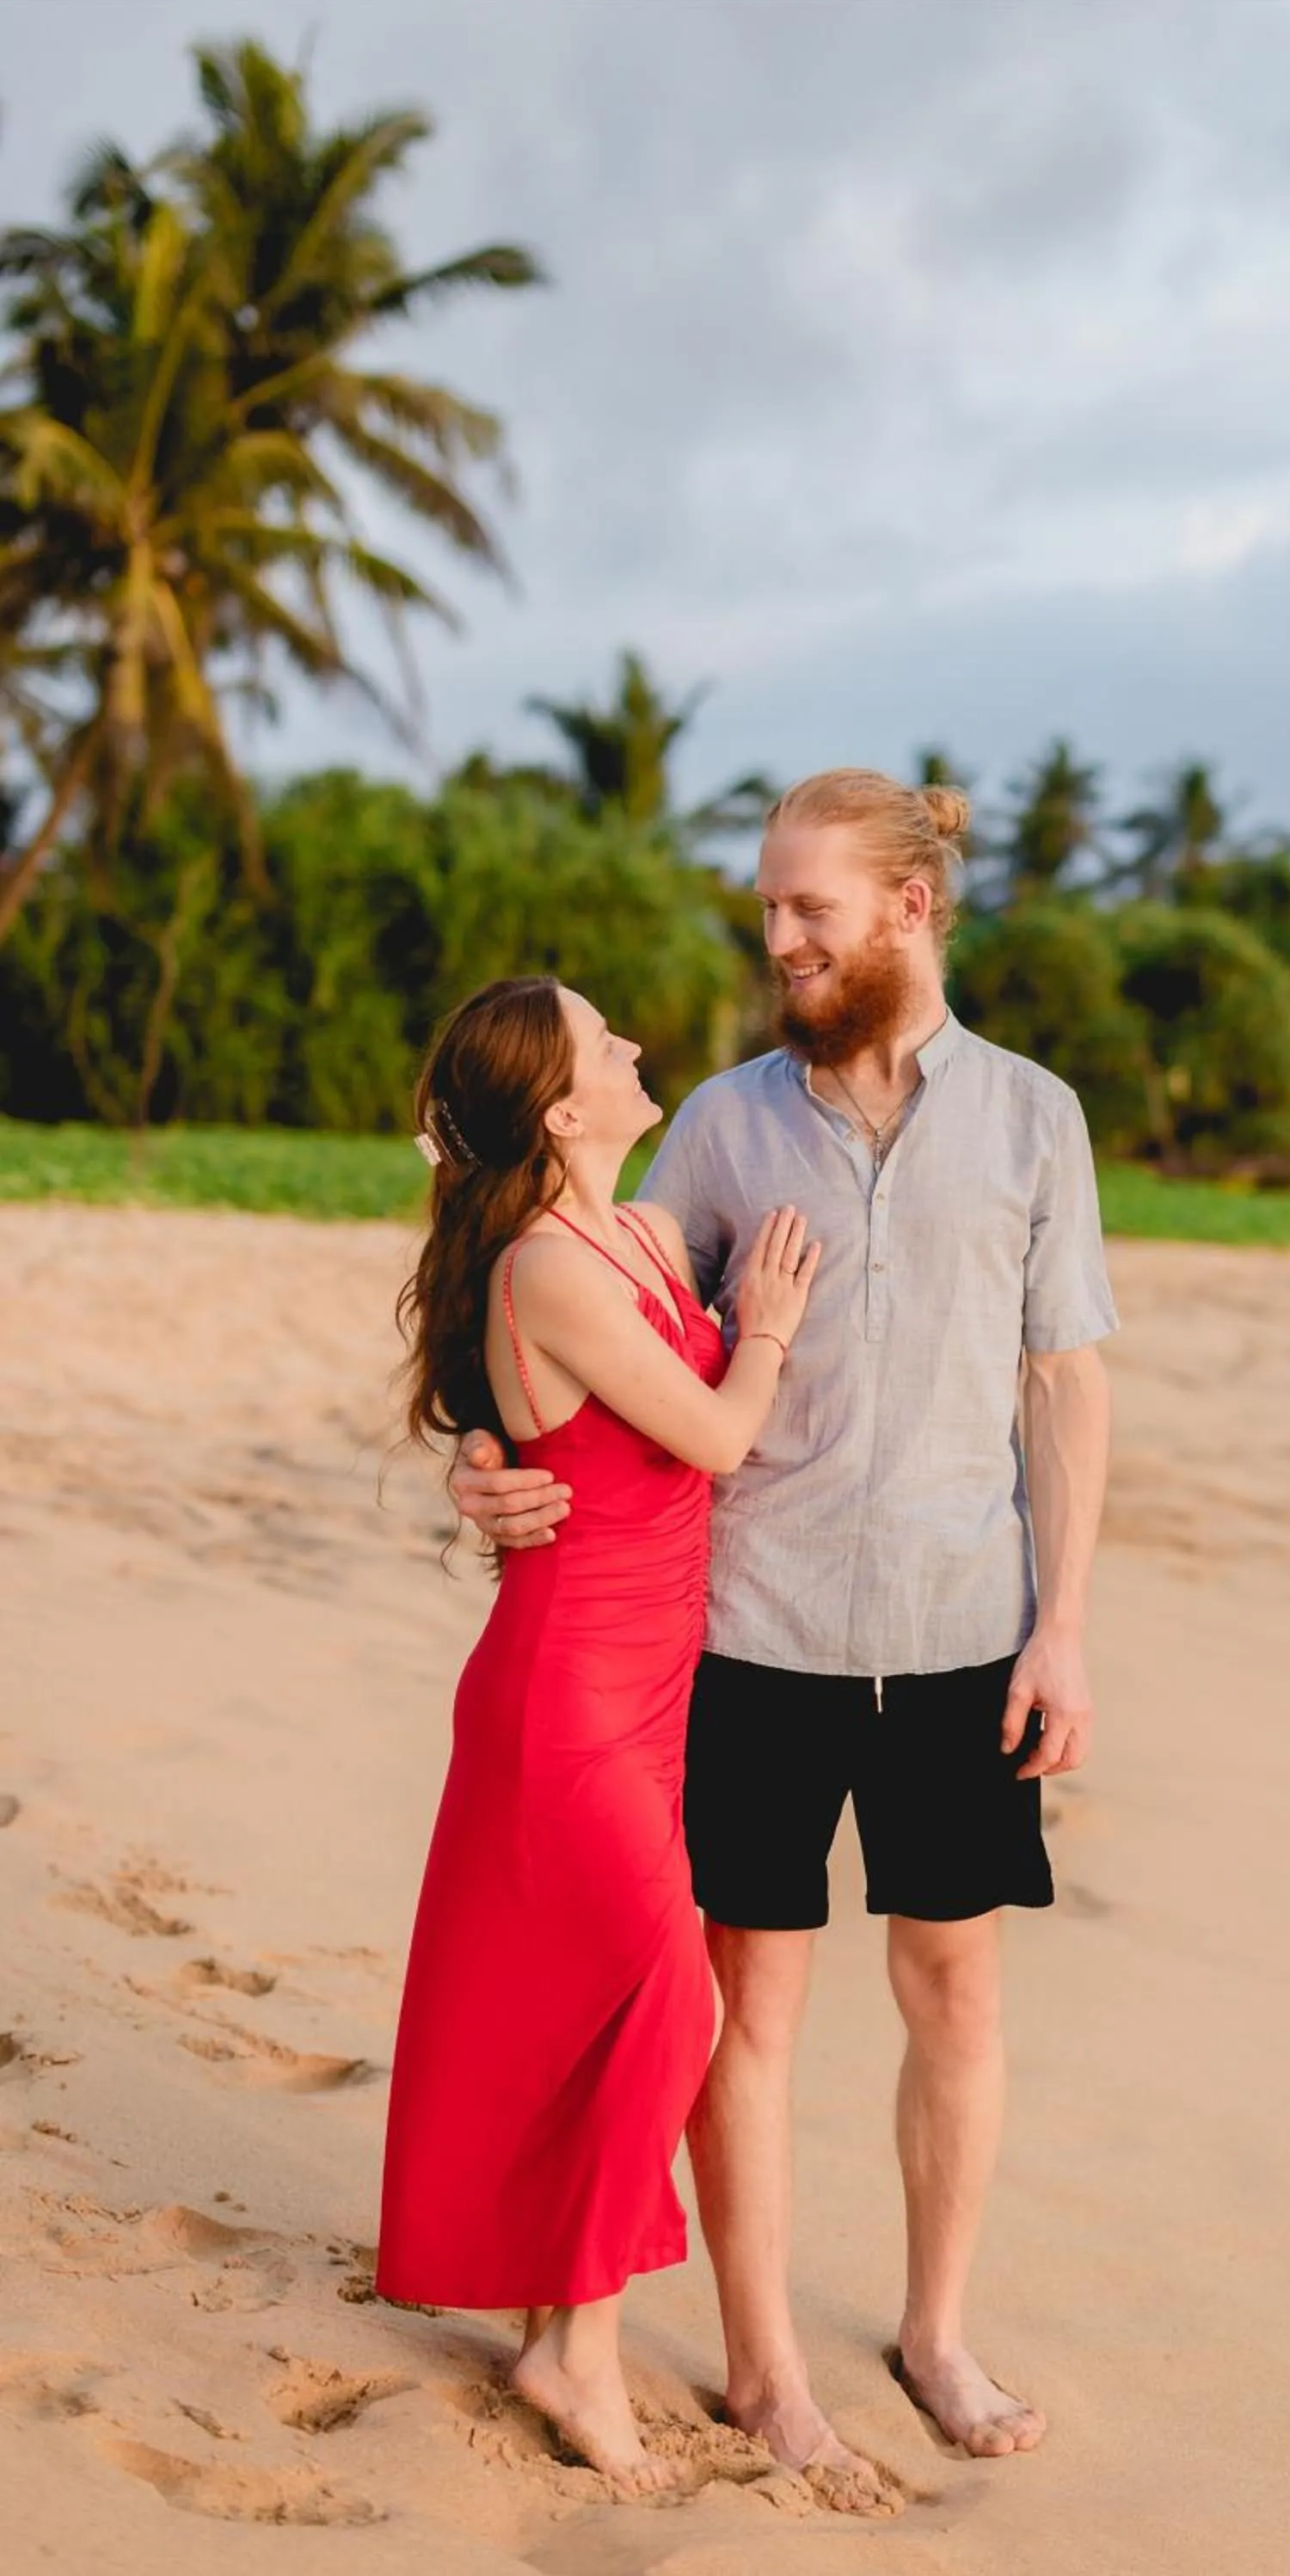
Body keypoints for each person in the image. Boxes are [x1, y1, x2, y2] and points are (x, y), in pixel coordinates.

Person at [452, 772, 1115, 2516]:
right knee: (752, 2006)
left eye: (807, 910)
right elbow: (567, 1285)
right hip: (746, 1641)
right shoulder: (726, 1128)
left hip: (964, 1636)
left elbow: (1063, 1377)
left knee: (953, 1987)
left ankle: (936, 2337)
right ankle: (760, 2371)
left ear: (910, 909)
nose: (777, 942)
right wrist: (484, 1440)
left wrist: (1063, 1626)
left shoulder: (1037, 1119)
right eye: (766, 909)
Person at [379, 972, 819, 2496]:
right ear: (564, 1108)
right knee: (665, 2002)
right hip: (564, 1689)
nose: (637, 1047)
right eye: (606, 1041)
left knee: (626, 2008)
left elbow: (553, 1423)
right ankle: (577, 2344)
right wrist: (762, 1331)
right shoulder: (546, 1266)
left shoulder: (632, 1232)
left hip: (653, 1687)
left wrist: (487, 1451)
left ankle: (567, 2327)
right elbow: (709, 1434)